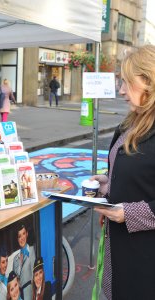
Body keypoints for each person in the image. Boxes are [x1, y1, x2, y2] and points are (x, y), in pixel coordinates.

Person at [91, 45, 155, 300]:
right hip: (120, 252)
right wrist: (109, 185)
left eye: (126, 82)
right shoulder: (131, 122)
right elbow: (139, 176)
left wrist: (128, 213)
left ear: (148, 82)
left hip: (145, 262)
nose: (121, 91)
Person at [13, 224, 36, 300]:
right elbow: (13, 281)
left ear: (27, 234)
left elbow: (35, 277)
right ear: (17, 239)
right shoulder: (15, 259)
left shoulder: (33, 251)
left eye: (23, 234)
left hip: (29, 295)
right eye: (19, 236)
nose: (22, 238)